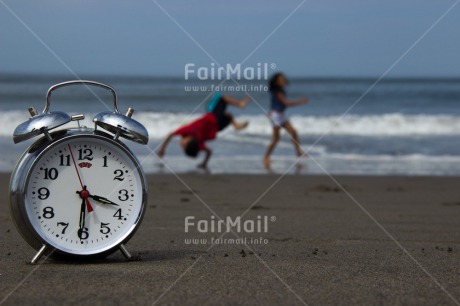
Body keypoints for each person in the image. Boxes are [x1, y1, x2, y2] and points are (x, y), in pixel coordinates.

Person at [157, 92, 250, 169]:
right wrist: (162, 149)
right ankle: (240, 105)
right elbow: (170, 134)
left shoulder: (198, 144)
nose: (181, 142)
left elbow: (209, 152)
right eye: (183, 144)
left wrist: (204, 163)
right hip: (213, 118)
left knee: (228, 116)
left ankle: (235, 125)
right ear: (189, 140)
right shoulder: (188, 131)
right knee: (221, 97)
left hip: (218, 128)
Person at [263, 73, 308, 167]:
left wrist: (270, 111)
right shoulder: (278, 91)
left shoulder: (280, 90)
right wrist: (301, 101)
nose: (283, 80)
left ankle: (298, 152)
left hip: (281, 115)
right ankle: (266, 157)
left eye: (284, 79)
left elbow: (274, 102)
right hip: (276, 116)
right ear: (276, 81)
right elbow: (286, 103)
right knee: (276, 139)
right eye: (281, 79)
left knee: (294, 132)